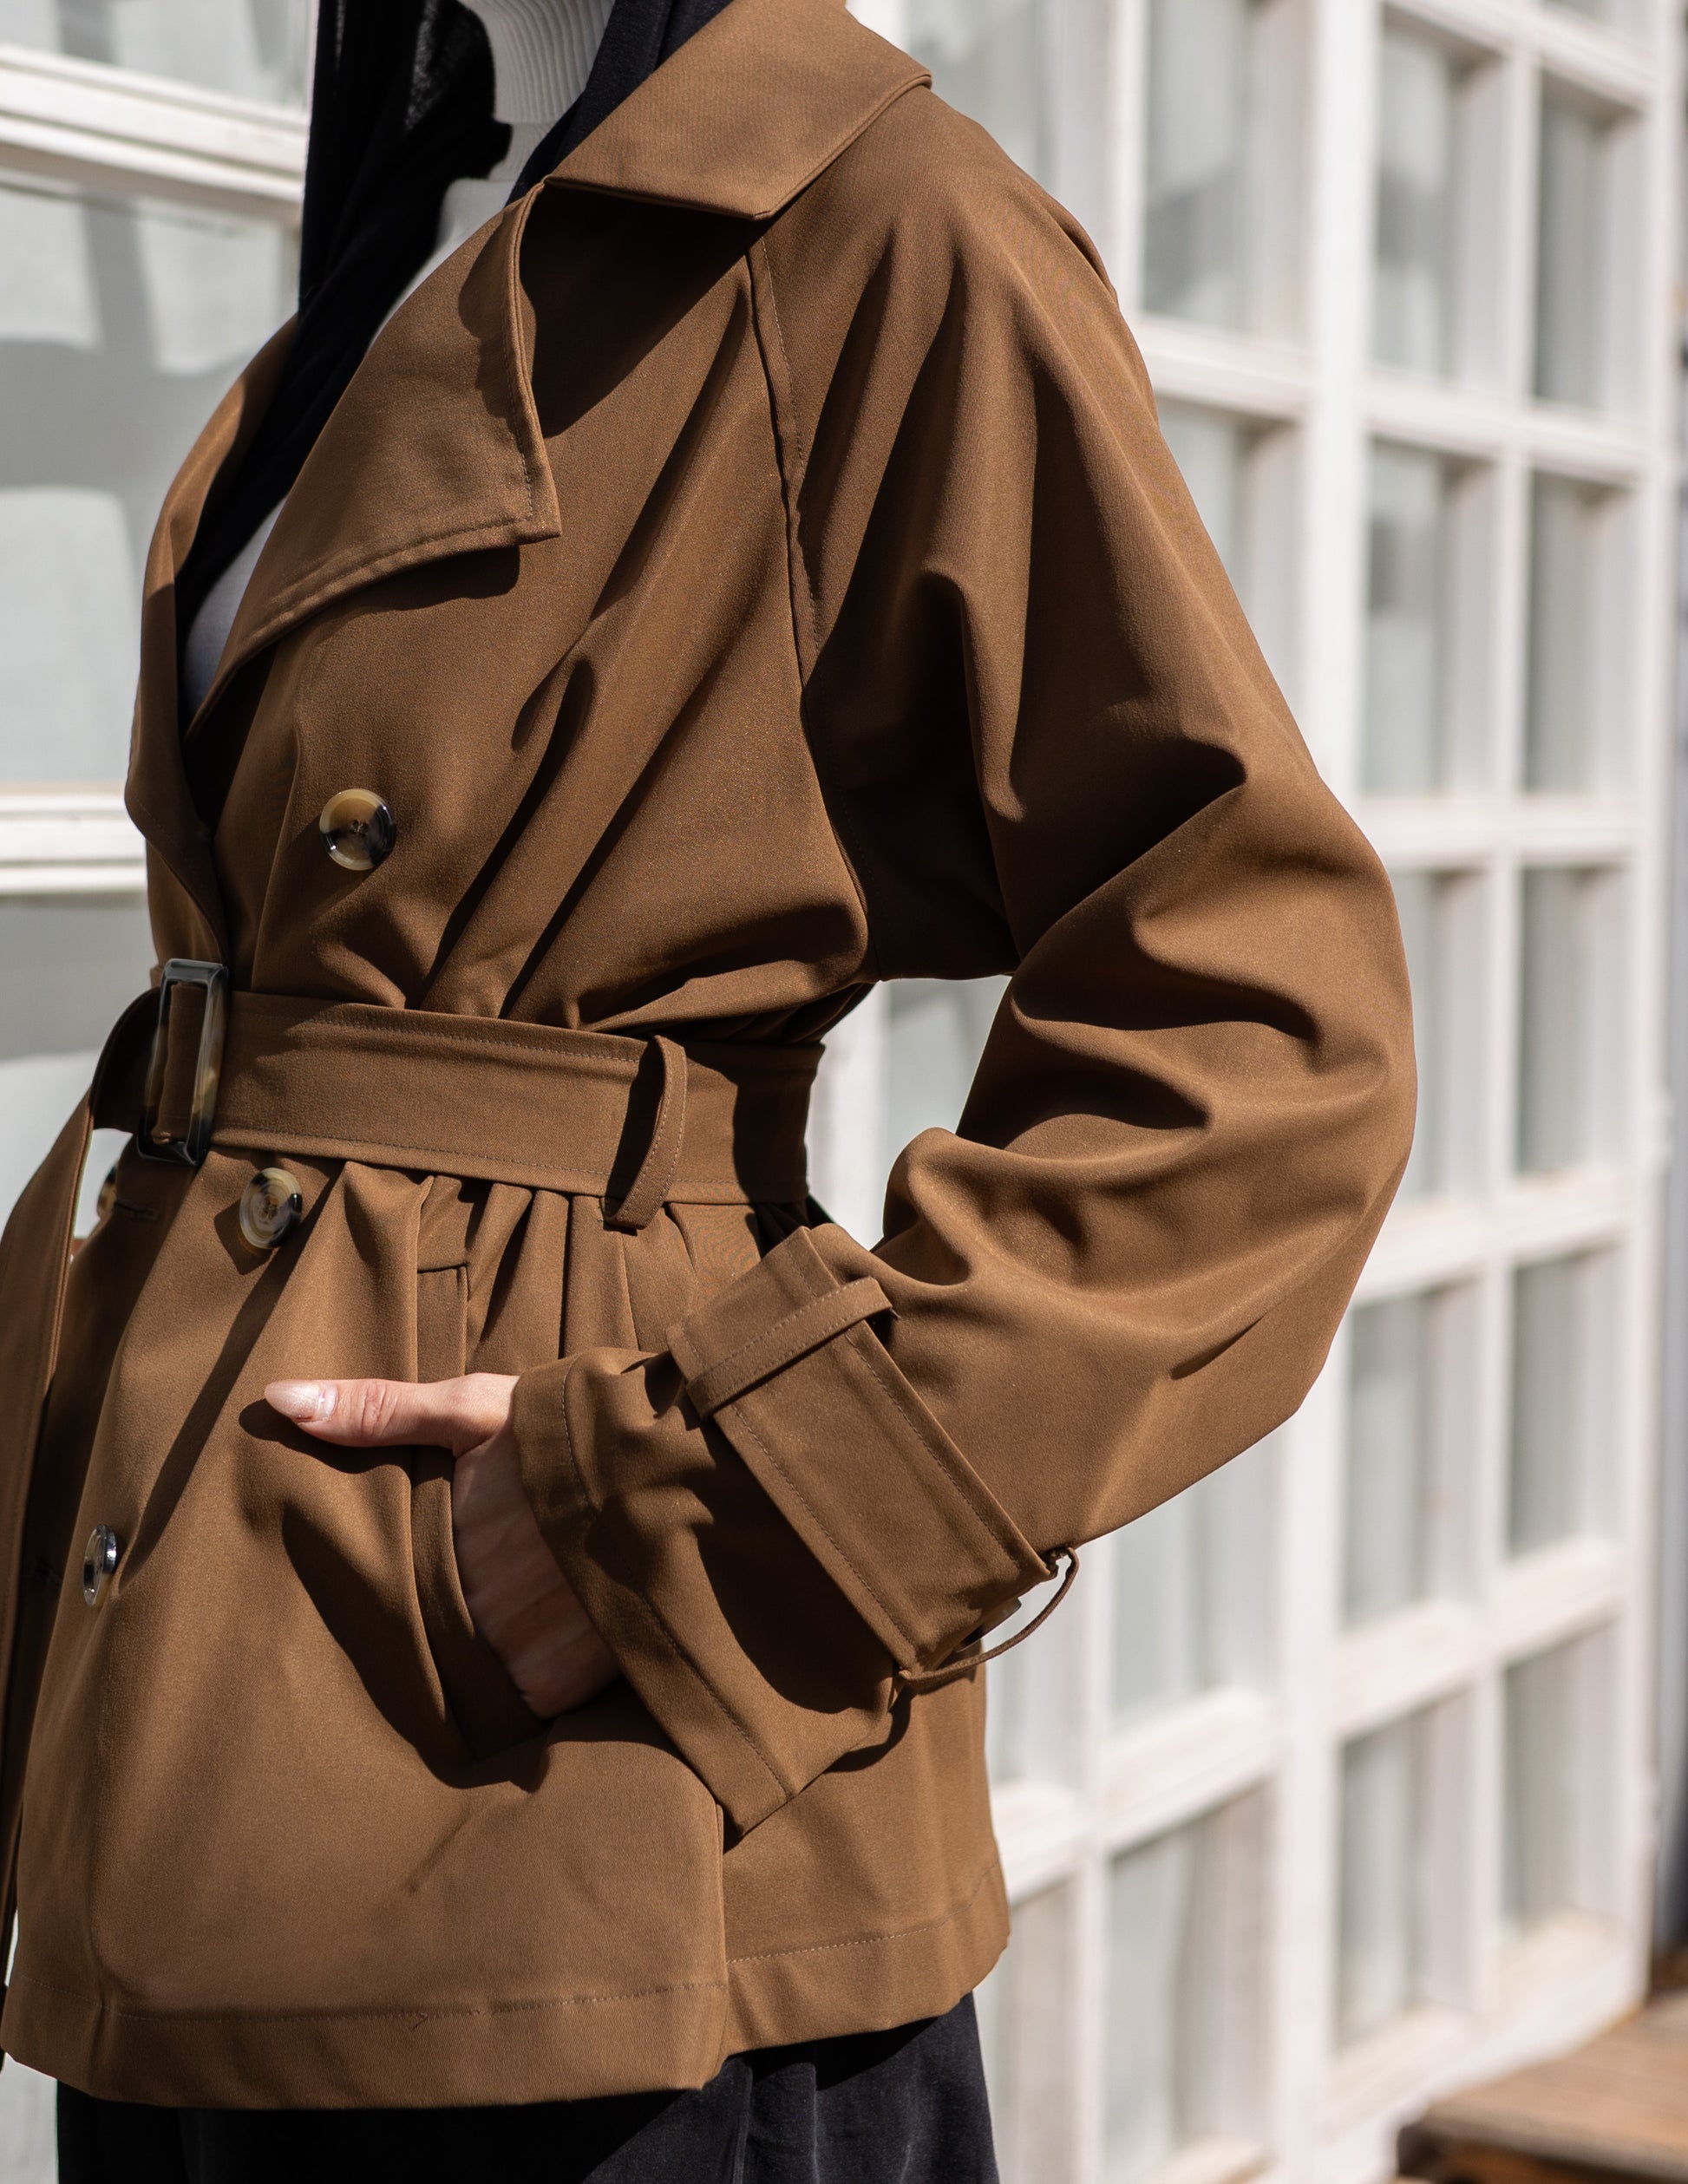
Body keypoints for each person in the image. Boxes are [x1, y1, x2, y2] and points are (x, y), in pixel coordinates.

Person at [0, 0, 1416, 2176]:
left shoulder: (879, 220)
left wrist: (709, 1509)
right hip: (212, 1666)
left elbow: (1265, 1032)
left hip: (562, 1748)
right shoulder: (426, 208)